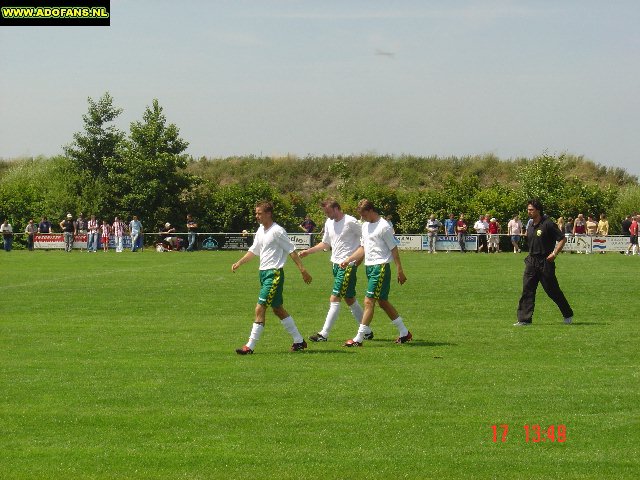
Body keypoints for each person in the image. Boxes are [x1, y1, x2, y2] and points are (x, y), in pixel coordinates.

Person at [232, 201, 312, 354]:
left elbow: (291, 251)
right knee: (278, 309)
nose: (257, 216)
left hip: (273, 274)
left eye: (259, 213)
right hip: (263, 274)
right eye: (256, 213)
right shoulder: (261, 230)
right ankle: (299, 341)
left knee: (260, 307)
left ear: (268, 213)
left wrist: (303, 270)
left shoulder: (277, 231)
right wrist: (239, 262)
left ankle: (250, 346)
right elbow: (254, 251)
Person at [341, 199, 411, 347]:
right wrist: (349, 260)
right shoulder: (365, 226)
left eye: (363, 214)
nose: (362, 218)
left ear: (371, 210)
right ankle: (404, 333)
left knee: (369, 301)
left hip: (381, 267)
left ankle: (358, 339)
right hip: (370, 267)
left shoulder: (384, 226)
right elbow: (363, 248)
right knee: (383, 302)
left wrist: (400, 269)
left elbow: (394, 249)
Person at [299, 198, 369, 342]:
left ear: (337, 208)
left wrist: (358, 258)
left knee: (334, 297)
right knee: (349, 299)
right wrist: (309, 251)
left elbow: (366, 239)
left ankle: (323, 334)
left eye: (328, 212)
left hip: (347, 265)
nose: (327, 215)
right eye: (325, 212)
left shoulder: (351, 221)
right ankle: (367, 330)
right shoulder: (329, 222)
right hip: (335, 265)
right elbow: (325, 243)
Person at [514, 199, 573, 326]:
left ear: (538, 210)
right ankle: (524, 320)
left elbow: (562, 239)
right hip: (531, 261)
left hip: (545, 262)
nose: (528, 212)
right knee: (527, 289)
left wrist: (554, 253)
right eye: (528, 209)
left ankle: (567, 313)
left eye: (531, 210)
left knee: (552, 291)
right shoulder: (530, 224)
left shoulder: (548, 224)